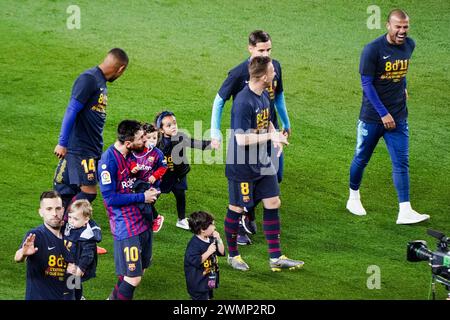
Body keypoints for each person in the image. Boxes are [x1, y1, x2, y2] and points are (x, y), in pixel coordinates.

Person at [346, 9, 430, 225]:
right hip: (373, 117)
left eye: (405, 27)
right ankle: (353, 197)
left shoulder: (409, 45)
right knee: (361, 158)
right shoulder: (372, 50)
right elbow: (366, 84)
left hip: (399, 116)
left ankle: (405, 210)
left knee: (401, 162)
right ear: (388, 26)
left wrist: (404, 87)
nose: (402, 31)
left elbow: (400, 73)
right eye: (398, 27)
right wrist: (383, 113)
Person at [210, 30, 291, 245]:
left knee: (277, 176)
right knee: (246, 190)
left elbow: (278, 97)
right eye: (261, 50)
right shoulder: (239, 74)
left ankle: (248, 214)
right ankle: (242, 223)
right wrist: (215, 131)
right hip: (249, 138)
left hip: (267, 133)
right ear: (250, 49)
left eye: (269, 49)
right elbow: (219, 100)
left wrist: (285, 124)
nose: (266, 54)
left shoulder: (274, 69)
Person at [224, 56, 304, 272]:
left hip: (261, 161)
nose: (275, 74)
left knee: (273, 202)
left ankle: (276, 257)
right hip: (242, 166)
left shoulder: (264, 95)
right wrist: (269, 138)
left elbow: (266, 120)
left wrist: (275, 134)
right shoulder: (243, 102)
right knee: (237, 208)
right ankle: (233, 255)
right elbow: (241, 139)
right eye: (272, 71)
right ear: (262, 76)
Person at [53, 48, 129, 254]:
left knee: (66, 191)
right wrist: (62, 142)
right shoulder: (88, 79)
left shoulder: (99, 81)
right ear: (120, 69)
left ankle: (66, 239)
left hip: (90, 148)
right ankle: (72, 229)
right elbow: (72, 110)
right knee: (89, 192)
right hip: (81, 148)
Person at [98, 120, 160, 300]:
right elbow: (110, 198)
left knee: (137, 269)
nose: (146, 141)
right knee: (133, 277)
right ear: (128, 143)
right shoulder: (108, 162)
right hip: (126, 226)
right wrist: (142, 197)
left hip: (143, 220)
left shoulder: (131, 154)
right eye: (141, 138)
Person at [155, 111, 211, 230]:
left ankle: (181, 219)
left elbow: (194, 143)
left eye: (174, 123)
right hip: (163, 176)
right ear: (161, 130)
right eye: (168, 125)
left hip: (179, 175)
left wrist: (210, 144)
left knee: (180, 195)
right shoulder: (157, 143)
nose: (173, 126)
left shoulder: (181, 137)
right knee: (154, 195)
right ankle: (147, 215)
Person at [14, 191, 67, 300]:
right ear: (41, 212)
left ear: (63, 210)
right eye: (49, 209)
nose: (54, 213)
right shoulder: (35, 235)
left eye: (57, 208)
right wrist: (23, 254)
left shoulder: (72, 236)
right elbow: (17, 257)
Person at [130, 123, 168, 232]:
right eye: (149, 137)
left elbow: (163, 167)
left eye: (154, 138)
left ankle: (153, 220)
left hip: (153, 186)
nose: (152, 140)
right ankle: (150, 220)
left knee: (145, 203)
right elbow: (130, 161)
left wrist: (155, 176)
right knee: (141, 204)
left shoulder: (158, 153)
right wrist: (133, 168)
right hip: (138, 183)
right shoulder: (136, 151)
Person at [64, 199, 102, 300]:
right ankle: (78, 296)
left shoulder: (87, 235)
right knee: (71, 283)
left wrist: (80, 268)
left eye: (75, 219)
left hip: (77, 265)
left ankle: (77, 297)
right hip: (69, 262)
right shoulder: (69, 227)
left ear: (86, 220)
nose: (71, 220)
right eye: (70, 217)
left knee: (72, 284)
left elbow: (88, 255)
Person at [184, 211, 225, 300]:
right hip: (198, 283)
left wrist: (219, 239)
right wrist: (209, 251)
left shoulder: (210, 238)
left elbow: (221, 252)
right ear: (203, 229)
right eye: (212, 225)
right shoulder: (194, 245)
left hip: (209, 279)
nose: (215, 227)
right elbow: (195, 261)